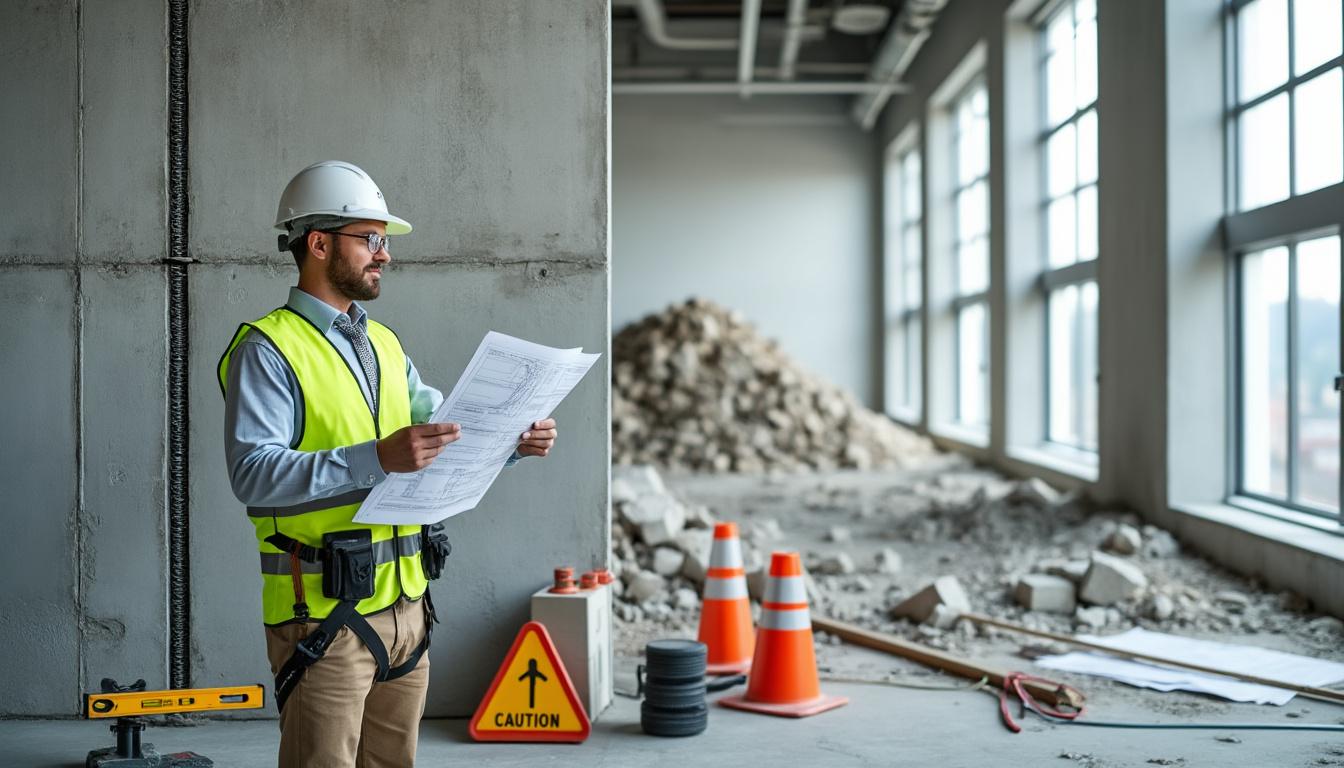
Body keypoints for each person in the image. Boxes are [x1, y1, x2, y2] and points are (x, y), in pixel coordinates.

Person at [219, 160, 558, 767]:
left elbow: (440, 433)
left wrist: (512, 442)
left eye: (384, 242)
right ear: (318, 244)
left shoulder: (385, 344)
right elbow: (253, 473)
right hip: (324, 617)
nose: (385, 255)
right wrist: (374, 459)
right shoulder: (268, 349)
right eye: (370, 239)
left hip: (408, 606)